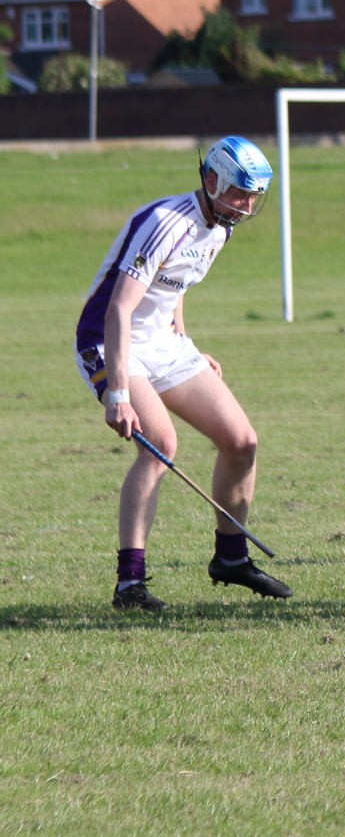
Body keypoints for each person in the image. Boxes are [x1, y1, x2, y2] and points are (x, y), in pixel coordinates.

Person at [75, 136, 292, 611]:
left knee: (242, 441)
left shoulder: (222, 226)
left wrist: (186, 343)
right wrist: (118, 394)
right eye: (239, 193)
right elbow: (118, 310)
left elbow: (176, 284)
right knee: (161, 447)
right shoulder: (163, 222)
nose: (246, 205)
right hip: (111, 339)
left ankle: (231, 560)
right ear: (210, 180)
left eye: (255, 197)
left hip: (163, 344)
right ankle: (129, 584)